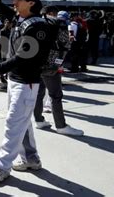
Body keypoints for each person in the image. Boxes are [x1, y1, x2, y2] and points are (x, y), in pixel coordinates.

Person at [0, 0, 51, 183]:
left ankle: (2, 166)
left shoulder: (38, 27)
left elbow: (20, 58)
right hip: (15, 81)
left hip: (26, 83)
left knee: (13, 125)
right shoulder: (21, 19)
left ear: (30, 3)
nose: (14, 3)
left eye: (18, 0)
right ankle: (31, 159)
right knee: (23, 123)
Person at [33, 8, 84, 136]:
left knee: (39, 93)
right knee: (55, 95)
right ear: (52, 14)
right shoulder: (59, 25)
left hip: (37, 63)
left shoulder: (36, 23)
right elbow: (66, 44)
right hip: (51, 65)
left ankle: (39, 120)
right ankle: (61, 125)